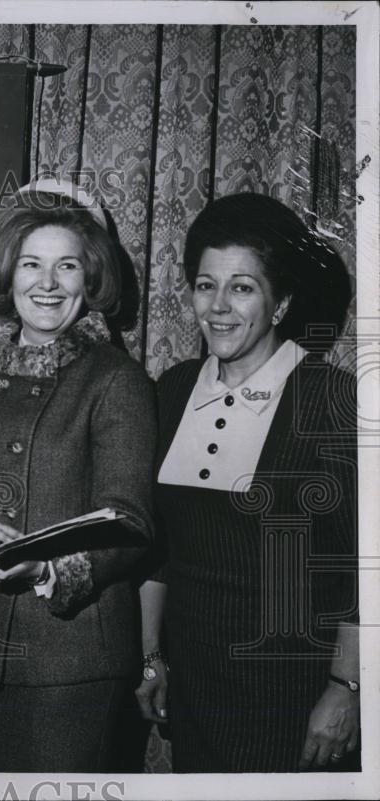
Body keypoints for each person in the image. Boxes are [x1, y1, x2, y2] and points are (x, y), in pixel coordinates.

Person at [0, 179, 157, 772]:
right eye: (31, 264)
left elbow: (131, 523)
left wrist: (48, 568)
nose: (47, 283)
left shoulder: (117, 380)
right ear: (7, 273)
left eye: (66, 266)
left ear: (89, 278)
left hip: (70, 663)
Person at [135, 192, 358, 772]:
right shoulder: (173, 389)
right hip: (194, 687)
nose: (218, 307)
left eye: (242, 287)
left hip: (294, 695)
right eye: (205, 286)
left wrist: (346, 688)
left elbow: (366, 566)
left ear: (280, 302)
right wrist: (152, 657)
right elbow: (158, 551)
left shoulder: (332, 399)